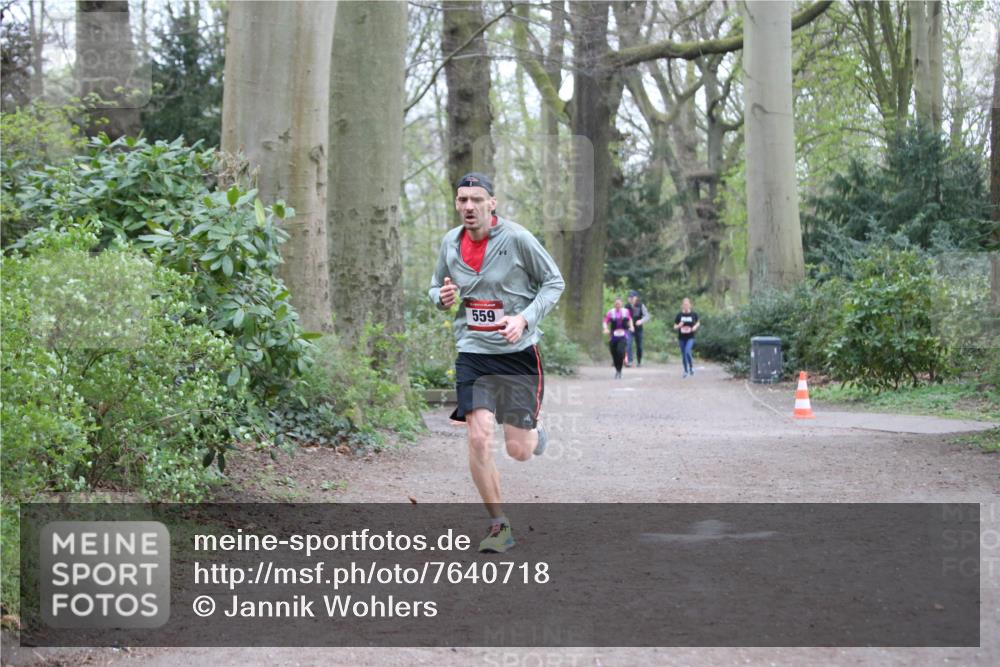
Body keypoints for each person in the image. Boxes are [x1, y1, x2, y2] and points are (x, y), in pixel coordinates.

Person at [429, 172, 565, 554]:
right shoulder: (449, 244)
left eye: (476, 200)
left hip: (518, 354)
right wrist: (442, 296)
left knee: (519, 450)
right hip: (473, 352)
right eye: (462, 200)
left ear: (493, 203)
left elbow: (554, 282)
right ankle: (498, 525)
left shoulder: (518, 238)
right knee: (478, 436)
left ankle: (536, 435)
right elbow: (434, 287)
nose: (468, 207)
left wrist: (524, 318)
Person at [603, 297, 634, 379]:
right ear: (614, 304)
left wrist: (631, 326)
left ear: (621, 304)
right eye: (616, 304)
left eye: (619, 304)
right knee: (614, 353)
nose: (618, 305)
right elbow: (605, 321)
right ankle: (617, 370)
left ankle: (619, 370)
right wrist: (605, 328)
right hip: (613, 336)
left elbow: (630, 319)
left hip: (623, 335)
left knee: (620, 351)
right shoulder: (611, 312)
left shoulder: (626, 311)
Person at [673, 297, 700, 377]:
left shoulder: (694, 314)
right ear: (682, 306)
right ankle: (685, 370)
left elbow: (698, 323)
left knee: (687, 351)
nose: (686, 306)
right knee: (683, 354)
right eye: (684, 305)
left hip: (690, 337)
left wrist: (695, 327)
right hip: (681, 338)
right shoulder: (679, 315)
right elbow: (674, 327)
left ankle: (691, 367)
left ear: (690, 305)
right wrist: (679, 326)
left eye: (687, 304)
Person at [625, 290, 650, 367]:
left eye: (632, 297)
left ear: (636, 298)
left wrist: (641, 321)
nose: (631, 298)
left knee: (639, 346)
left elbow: (647, 316)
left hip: (639, 329)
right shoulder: (626, 307)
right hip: (629, 329)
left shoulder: (640, 305)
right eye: (630, 297)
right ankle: (630, 361)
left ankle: (639, 361)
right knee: (628, 343)